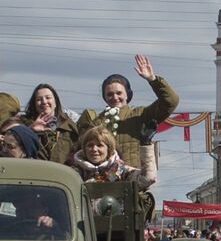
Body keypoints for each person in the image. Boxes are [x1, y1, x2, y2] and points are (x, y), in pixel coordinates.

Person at [76, 54, 180, 183]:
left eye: (119, 93)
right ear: (104, 97)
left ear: (127, 94)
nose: (115, 97)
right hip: (103, 184)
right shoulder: (97, 123)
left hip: (135, 182)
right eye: (109, 94)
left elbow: (170, 101)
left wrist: (152, 79)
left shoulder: (141, 115)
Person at [9, 83, 79, 164]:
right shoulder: (22, 123)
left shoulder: (70, 127)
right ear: (34, 104)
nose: (44, 102)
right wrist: (30, 130)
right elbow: (10, 144)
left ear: (55, 102)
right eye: (39, 99)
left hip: (61, 171)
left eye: (48, 98)